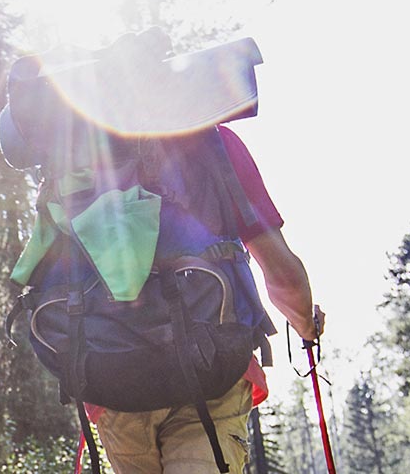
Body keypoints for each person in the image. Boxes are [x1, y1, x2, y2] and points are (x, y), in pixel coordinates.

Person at [86, 124, 323, 474]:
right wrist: (306, 326)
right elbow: (284, 276)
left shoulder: (83, 152)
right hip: (214, 368)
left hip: (115, 382)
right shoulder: (213, 142)